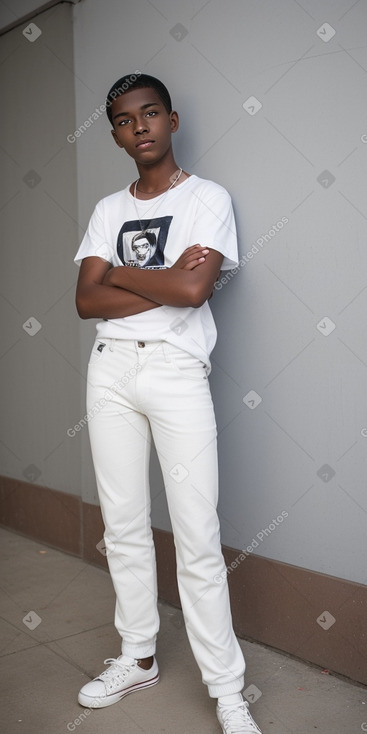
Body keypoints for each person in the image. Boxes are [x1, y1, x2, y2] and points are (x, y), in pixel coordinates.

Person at [74, 73, 262, 734]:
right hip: (110, 373)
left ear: (171, 120)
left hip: (177, 371)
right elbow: (84, 301)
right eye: (125, 120)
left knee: (196, 534)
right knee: (123, 524)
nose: (140, 126)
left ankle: (227, 689)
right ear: (117, 135)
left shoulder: (208, 199)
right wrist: (161, 278)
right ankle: (138, 657)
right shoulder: (106, 209)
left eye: (149, 113)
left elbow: (194, 292)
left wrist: (117, 272)